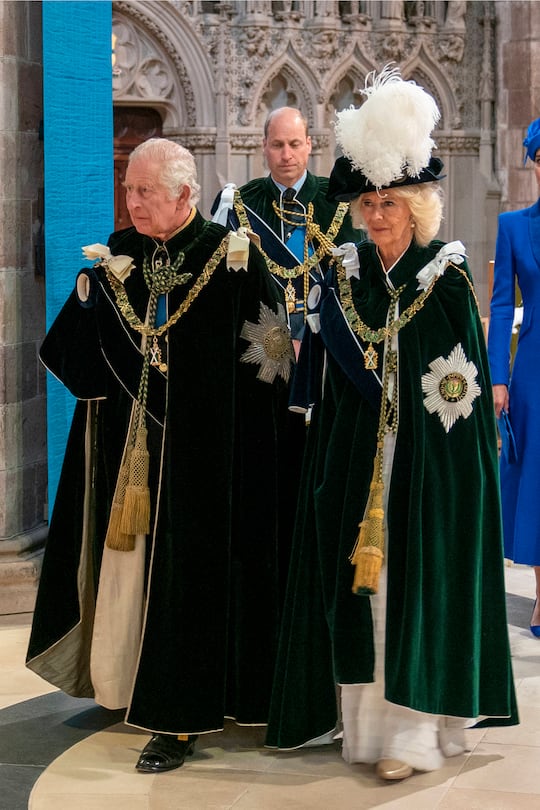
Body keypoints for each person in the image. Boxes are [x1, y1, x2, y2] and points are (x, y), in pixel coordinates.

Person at [266, 66, 518, 781]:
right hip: (354, 463)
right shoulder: (343, 274)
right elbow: (333, 378)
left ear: (417, 206)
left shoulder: (447, 274)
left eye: (389, 204)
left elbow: (458, 389)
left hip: (425, 465)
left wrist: (437, 465)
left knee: (413, 590)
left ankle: (413, 736)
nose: (376, 217)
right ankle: (367, 732)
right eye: (367, 203)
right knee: (359, 597)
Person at [26, 138, 294, 773]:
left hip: (206, 460)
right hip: (131, 456)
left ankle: (179, 719)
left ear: (184, 194)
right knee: (129, 574)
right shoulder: (117, 256)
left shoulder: (232, 260)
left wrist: (250, 453)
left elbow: (271, 363)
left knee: (192, 581)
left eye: (145, 191)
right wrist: (89, 304)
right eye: (128, 189)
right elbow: (73, 355)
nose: (132, 202)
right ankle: (125, 686)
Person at [212, 106, 364, 353]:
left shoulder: (338, 200)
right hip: (258, 346)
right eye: (277, 145)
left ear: (309, 144)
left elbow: (355, 283)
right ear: (264, 146)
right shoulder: (241, 203)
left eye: (294, 144)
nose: (286, 155)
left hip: (325, 343)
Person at [488, 116, 540, 636]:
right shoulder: (514, 226)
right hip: (534, 373)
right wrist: (498, 379)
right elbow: (502, 306)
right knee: (537, 482)